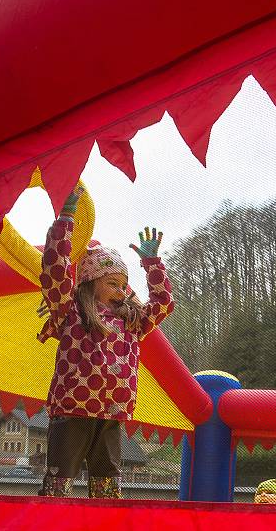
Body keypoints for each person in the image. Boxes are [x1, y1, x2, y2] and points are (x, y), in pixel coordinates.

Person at [36, 185, 174, 498]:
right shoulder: (71, 310)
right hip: (72, 409)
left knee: (107, 481)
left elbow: (164, 303)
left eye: (124, 285)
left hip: (111, 413)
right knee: (60, 480)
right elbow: (54, 269)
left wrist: (152, 264)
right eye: (112, 283)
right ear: (89, 282)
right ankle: (49, 519)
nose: (120, 290)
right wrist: (65, 219)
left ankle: (106, 521)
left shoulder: (132, 321)